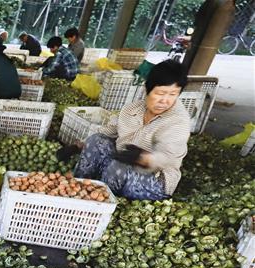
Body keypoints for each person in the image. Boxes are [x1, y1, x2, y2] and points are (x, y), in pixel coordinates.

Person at [69, 60, 191, 200]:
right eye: (160, 93)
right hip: (121, 164)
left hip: (154, 181)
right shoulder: (132, 109)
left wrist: (144, 159)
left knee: (118, 167)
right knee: (96, 140)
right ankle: (77, 187)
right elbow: (107, 131)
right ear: (147, 89)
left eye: (172, 94)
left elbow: (168, 157)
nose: (165, 101)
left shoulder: (178, 121)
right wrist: (79, 145)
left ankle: (102, 201)